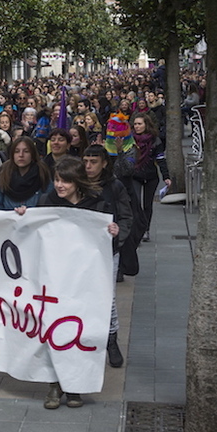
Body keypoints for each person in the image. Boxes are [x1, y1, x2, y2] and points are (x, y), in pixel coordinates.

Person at [19, 156, 118, 409]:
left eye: (65, 181)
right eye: (57, 180)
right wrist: (22, 217)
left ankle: (75, 386)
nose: (59, 185)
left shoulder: (96, 206)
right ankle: (54, 384)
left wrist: (113, 234)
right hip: (52, 278)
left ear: (77, 182)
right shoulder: (45, 203)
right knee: (54, 329)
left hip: (83, 280)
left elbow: (107, 246)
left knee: (79, 330)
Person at [83, 145, 133, 366]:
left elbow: (126, 216)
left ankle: (111, 339)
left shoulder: (115, 186)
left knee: (108, 298)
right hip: (79, 251)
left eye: (93, 161)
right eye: (85, 161)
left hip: (106, 250)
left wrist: (117, 235)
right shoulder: (76, 184)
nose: (88, 166)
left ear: (104, 163)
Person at [128, 113, 171, 242]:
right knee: (135, 204)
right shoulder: (129, 139)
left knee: (147, 205)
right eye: (135, 124)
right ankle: (136, 229)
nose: (137, 126)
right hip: (135, 175)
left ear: (146, 125)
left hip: (151, 176)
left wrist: (166, 177)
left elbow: (160, 159)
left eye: (139, 124)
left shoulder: (155, 140)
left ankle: (145, 229)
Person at [0, 137, 52, 210]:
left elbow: (50, 207)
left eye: (26, 151)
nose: (21, 155)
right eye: (17, 151)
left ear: (32, 154)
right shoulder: (3, 176)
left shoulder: (43, 175)